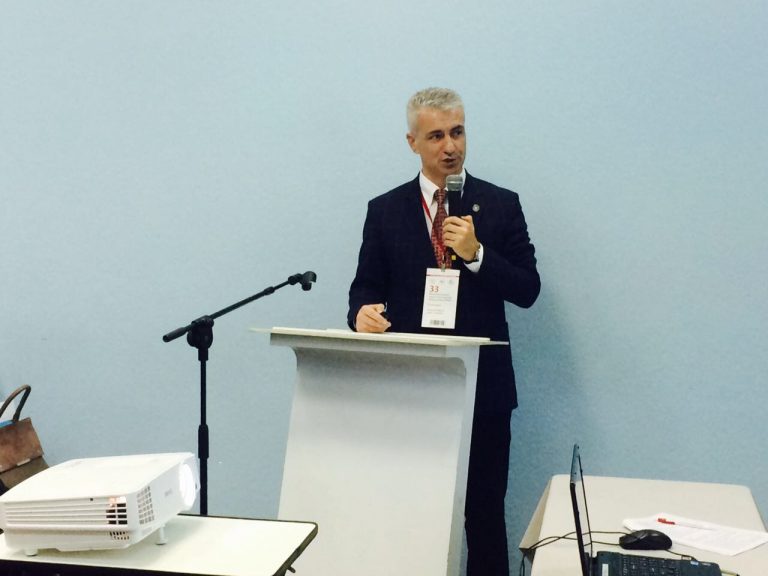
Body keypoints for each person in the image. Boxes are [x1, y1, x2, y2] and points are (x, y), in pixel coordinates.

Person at [347, 87, 540, 575]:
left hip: (484, 391)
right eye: (436, 136)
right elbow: (364, 288)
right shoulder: (385, 210)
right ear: (412, 142)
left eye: (457, 132)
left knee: (484, 516)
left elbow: (528, 289)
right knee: (407, 513)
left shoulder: (500, 204)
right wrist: (360, 314)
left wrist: (478, 255)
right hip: (412, 390)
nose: (450, 146)